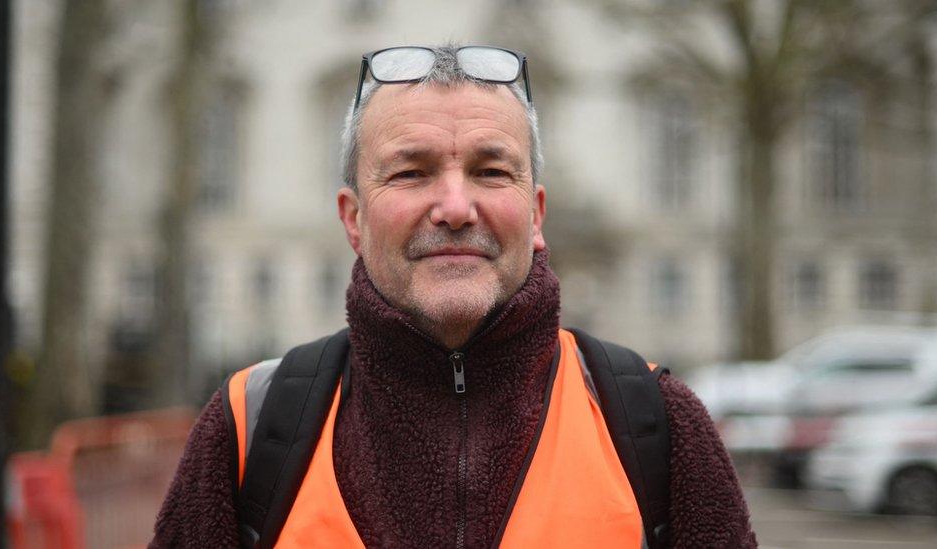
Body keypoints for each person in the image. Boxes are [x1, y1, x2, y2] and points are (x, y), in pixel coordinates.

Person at [152, 44, 757, 548]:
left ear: (536, 213)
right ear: (354, 219)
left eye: (492, 172)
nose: (456, 209)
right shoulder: (247, 431)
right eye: (410, 172)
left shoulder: (661, 427)